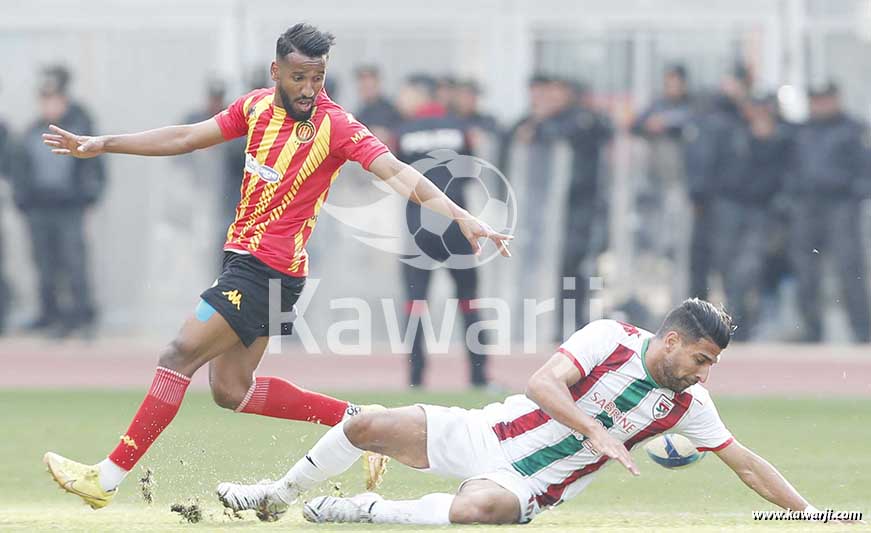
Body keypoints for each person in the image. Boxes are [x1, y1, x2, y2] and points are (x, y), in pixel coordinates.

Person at [41, 23, 512, 510]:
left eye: (319, 78)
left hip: (268, 272)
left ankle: (107, 477)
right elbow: (185, 137)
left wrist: (460, 215)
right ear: (276, 72)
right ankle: (360, 418)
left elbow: (397, 171)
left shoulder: (339, 126)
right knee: (231, 390)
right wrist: (103, 143)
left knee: (178, 353)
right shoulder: (254, 107)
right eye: (299, 77)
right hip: (250, 266)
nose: (309, 89)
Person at [216, 298, 846, 525]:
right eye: (703, 359)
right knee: (363, 425)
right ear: (673, 340)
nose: (706, 374)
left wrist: (815, 516)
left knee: (477, 511)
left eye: (713, 366)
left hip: (529, 483)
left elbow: (747, 464)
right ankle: (274, 496)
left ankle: (362, 511)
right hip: (487, 429)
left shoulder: (690, 405)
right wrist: (597, 430)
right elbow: (544, 384)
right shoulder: (610, 338)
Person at [393, 74, 491, 388]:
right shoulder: (460, 128)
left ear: (420, 96)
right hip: (457, 226)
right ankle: (478, 376)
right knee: (468, 301)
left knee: (415, 304)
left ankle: (415, 377)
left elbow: (392, 170)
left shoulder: (403, 131)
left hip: (419, 226)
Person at [10, 65, 105, 338]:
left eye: (54, 99)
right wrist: (23, 200)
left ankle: (81, 317)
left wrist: (88, 196)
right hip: (40, 210)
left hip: (69, 208)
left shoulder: (79, 131)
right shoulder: (30, 134)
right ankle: (51, 315)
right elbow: (20, 171)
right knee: (44, 264)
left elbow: (94, 171)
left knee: (74, 262)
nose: (49, 106)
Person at [787, 82, 870, 343]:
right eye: (816, 100)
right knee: (806, 271)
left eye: (825, 99)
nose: (820, 105)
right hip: (808, 206)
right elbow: (789, 168)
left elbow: (864, 168)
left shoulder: (853, 129)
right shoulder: (801, 131)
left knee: (850, 269)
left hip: (841, 205)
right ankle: (811, 330)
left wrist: (855, 190)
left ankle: (862, 330)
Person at [353, 65, 401, 151]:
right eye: (363, 83)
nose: (366, 85)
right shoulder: (359, 114)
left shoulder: (392, 110)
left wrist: (388, 135)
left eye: (369, 84)